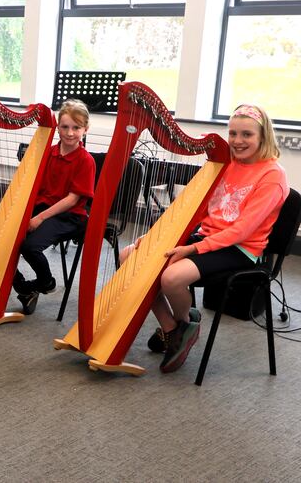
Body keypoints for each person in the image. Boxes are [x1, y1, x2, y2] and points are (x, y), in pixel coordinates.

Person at [122, 104, 288, 373]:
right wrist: (155, 236)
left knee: (171, 278)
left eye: (246, 134)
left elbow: (242, 231)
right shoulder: (225, 163)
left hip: (240, 248)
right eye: (233, 133)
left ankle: (183, 322)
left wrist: (191, 249)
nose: (237, 141)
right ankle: (174, 328)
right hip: (207, 236)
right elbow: (197, 209)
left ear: (263, 137)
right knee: (130, 256)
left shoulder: (272, 175)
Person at [12, 99, 95, 310]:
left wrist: (40, 217)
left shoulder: (85, 160)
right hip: (43, 207)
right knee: (3, 242)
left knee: (30, 247)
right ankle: (25, 288)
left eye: (76, 128)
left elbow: (72, 200)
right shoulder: (48, 152)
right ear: (57, 127)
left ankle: (45, 282)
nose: (69, 133)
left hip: (70, 216)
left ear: (85, 129)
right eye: (65, 127)